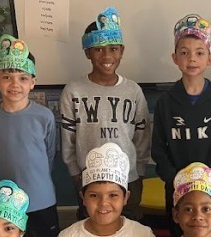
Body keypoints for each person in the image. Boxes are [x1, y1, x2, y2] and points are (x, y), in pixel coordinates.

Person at [59, 7, 150, 221]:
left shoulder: (133, 91)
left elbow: (142, 135)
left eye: (113, 49)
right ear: (87, 53)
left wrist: (139, 171)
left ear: (122, 51)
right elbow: (68, 139)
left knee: (130, 228)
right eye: (98, 50)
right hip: (88, 178)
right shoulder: (73, 91)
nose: (107, 56)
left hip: (128, 179)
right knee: (90, 227)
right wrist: (75, 173)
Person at [0, 34, 60, 237]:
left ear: (33, 82)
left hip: (42, 199)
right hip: (5, 204)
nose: (15, 85)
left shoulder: (44, 117)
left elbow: (50, 154)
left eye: (23, 78)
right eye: (7, 77)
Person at [152, 14, 211, 231]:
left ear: (210, 58)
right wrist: (175, 179)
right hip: (177, 190)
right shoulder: (166, 102)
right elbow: (158, 148)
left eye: (199, 53)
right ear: (174, 57)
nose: (192, 59)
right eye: (184, 53)